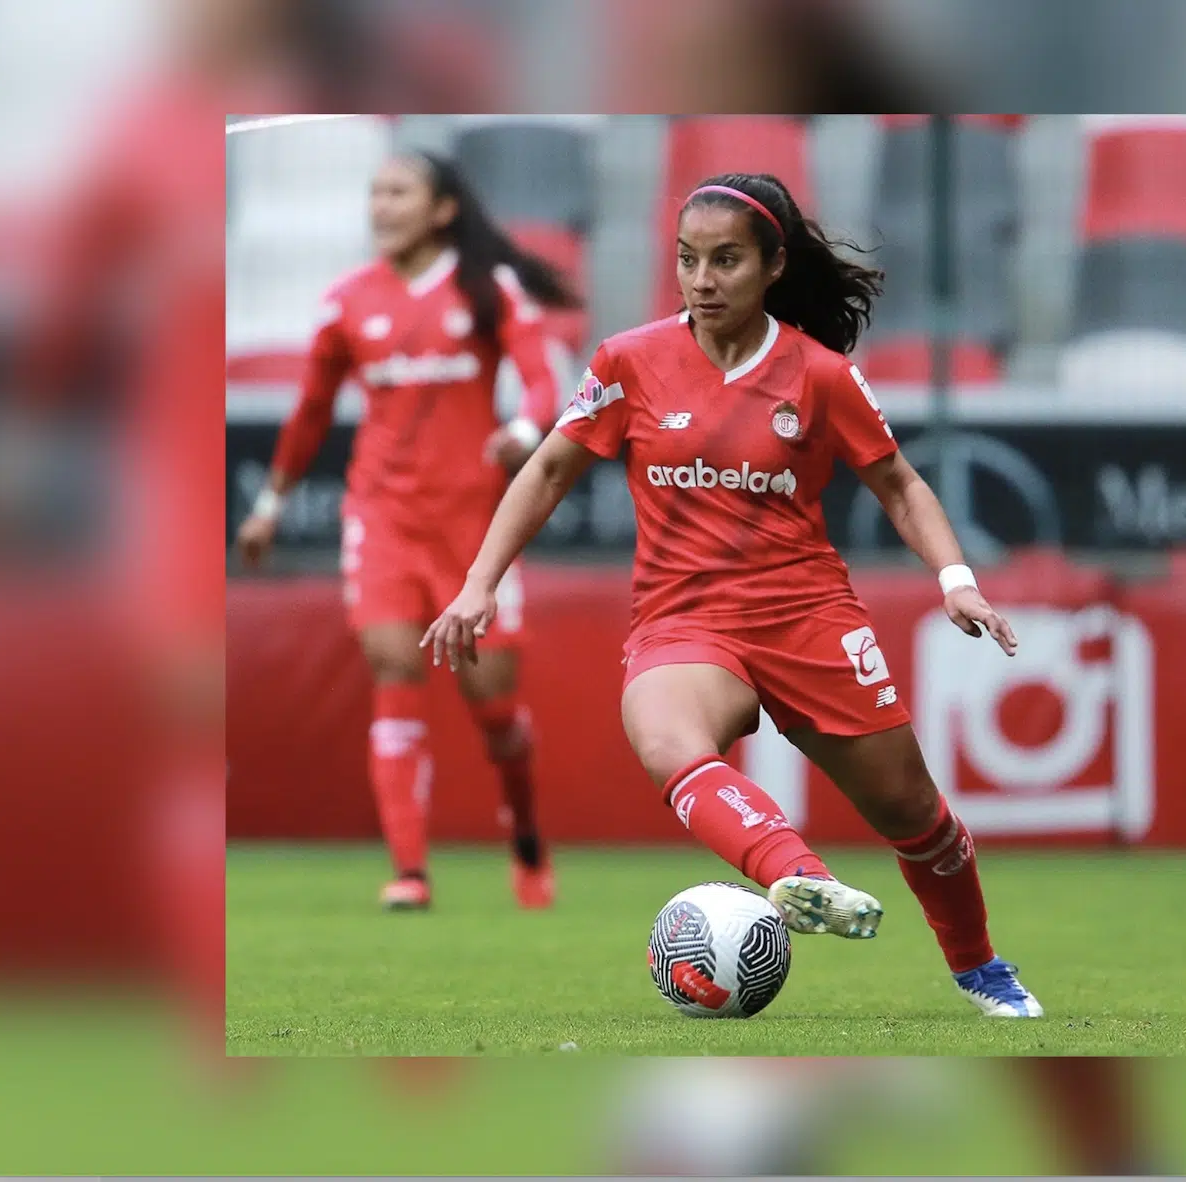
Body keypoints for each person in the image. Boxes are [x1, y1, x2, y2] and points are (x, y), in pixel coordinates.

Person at [422, 171, 1041, 1016]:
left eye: (725, 261)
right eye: (686, 260)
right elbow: (552, 466)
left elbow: (899, 485)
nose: (703, 281)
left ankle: (980, 969)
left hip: (807, 617)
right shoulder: (629, 361)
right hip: (683, 619)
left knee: (917, 819)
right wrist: (478, 584)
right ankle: (796, 876)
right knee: (665, 736)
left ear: (773, 266)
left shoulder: (818, 375)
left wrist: (956, 581)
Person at [235, 149, 578, 912]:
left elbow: (544, 376)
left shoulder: (488, 289)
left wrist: (526, 427)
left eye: (399, 192)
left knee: (495, 714)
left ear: (442, 208)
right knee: (394, 665)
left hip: (472, 527)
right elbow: (311, 412)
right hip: (382, 515)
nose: (381, 206)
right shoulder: (347, 302)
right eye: (375, 193)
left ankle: (524, 832)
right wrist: (270, 505)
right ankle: (411, 871)